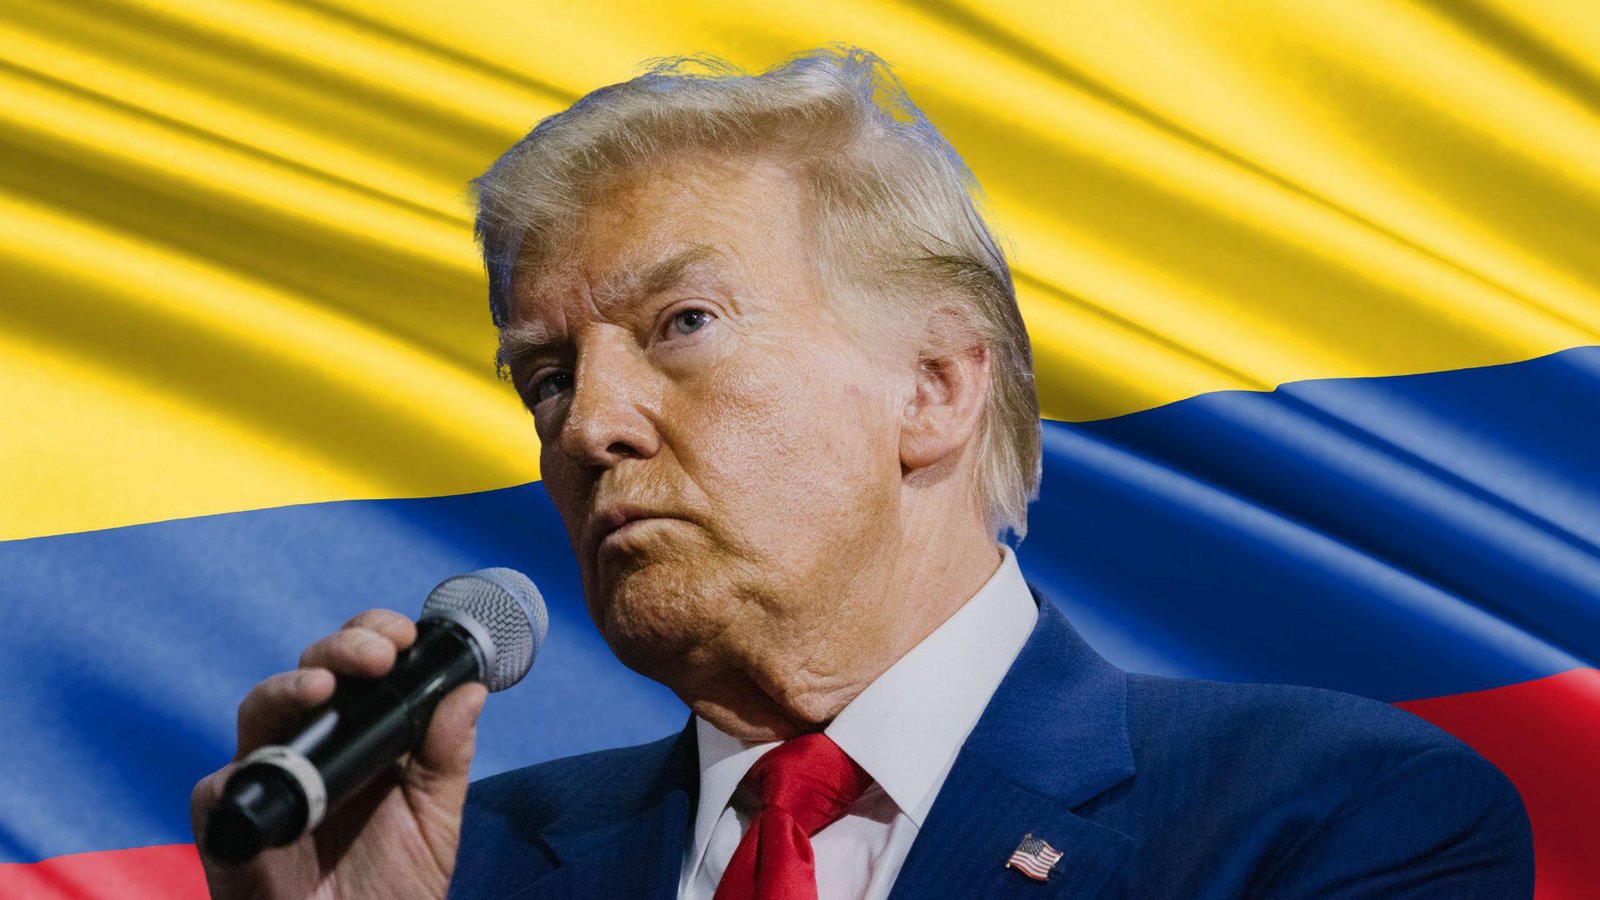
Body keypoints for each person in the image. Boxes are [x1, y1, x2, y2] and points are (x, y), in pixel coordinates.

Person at [190, 46, 1534, 899]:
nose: (589, 425)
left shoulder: (1331, 816)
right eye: (546, 377)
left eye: (682, 325)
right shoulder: (452, 870)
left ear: (935, 387)